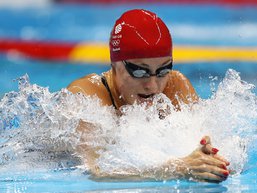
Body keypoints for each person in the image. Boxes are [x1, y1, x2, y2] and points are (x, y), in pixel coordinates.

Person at [67, 9, 230, 182]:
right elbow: (95, 171)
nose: (153, 86)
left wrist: (210, 161)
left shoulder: (175, 85)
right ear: (115, 64)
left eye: (163, 70)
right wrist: (178, 169)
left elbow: (202, 149)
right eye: (139, 72)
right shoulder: (86, 97)